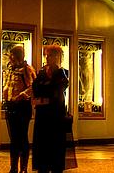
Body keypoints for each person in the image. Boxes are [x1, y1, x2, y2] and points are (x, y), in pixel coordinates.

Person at [31, 45, 74, 173]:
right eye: (46, 55)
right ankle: (43, 167)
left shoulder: (62, 73)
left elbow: (56, 90)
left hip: (56, 114)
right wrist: (45, 90)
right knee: (42, 142)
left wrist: (45, 89)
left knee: (56, 142)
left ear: (57, 57)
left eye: (50, 55)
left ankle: (56, 167)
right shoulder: (41, 72)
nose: (47, 58)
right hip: (42, 113)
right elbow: (36, 89)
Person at [3, 45, 36, 173]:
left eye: (11, 55)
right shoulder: (10, 69)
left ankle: (23, 168)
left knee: (22, 137)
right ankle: (13, 167)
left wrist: (21, 95)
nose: (10, 57)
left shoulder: (27, 69)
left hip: (22, 106)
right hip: (11, 106)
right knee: (13, 138)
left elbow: (33, 87)